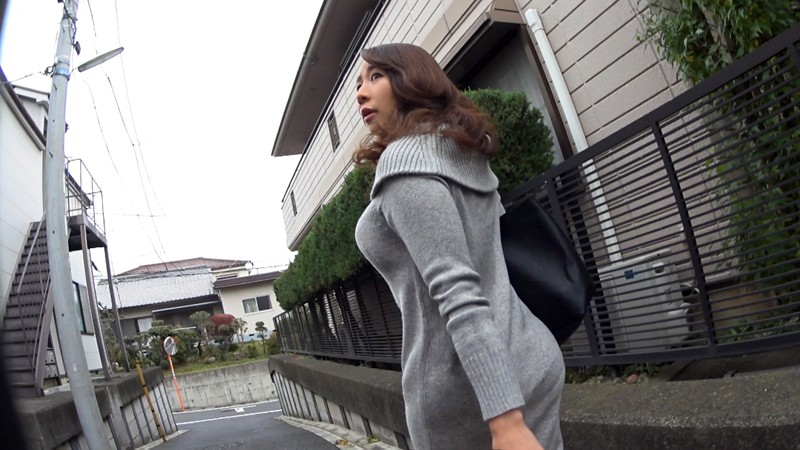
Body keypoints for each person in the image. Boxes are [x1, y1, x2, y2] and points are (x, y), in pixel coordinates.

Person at [353, 43, 565, 450]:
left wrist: (506, 421)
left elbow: (459, 293)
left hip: (469, 396)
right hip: (532, 356)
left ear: (411, 79)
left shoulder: (405, 164)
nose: (361, 93)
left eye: (375, 76)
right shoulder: (462, 152)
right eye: (359, 85)